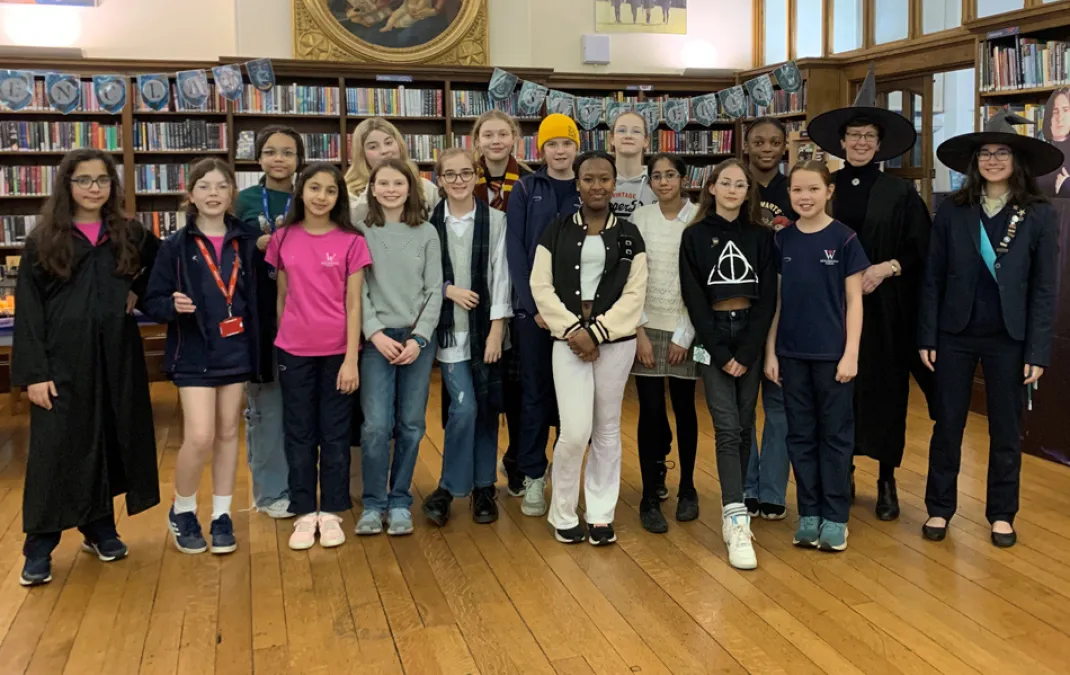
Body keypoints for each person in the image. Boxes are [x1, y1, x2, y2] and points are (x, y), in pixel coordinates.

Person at [14, 149, 160, 587]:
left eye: (102, 180)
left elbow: (163, 264)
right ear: (67, 185)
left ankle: (99, 527)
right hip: (61, 360)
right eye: (83, 180)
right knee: (56, 448)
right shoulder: (44, 240)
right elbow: (29, 311)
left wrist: (138, 291)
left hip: (116, 354)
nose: (94, 188)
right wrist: (35, 373)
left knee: (108, 437)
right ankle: (40, 543)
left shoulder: (129, 233)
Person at [919, 111, 1062, 548]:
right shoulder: (953, 209)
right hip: (954, 334)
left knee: (1005, 429)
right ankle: (939, 507)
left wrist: (1038, 350)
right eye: (985, 153)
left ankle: (1002, 513)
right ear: (974, 161)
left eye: (1002, 152)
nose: (993, 160)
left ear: (1016, 160)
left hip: (1010, 338)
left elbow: (1044, 287)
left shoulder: (1039, 213)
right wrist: (927, 335)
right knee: (948, 424)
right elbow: (932, 277)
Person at [807, 63, 933, 521]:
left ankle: (885, 479)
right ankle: (842, 471)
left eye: (869, 137)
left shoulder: (900, 194)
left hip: (884, 312)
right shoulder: (825, 189)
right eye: (854, 135)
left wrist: (887, 267)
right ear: (841, 143)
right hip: (830, 309)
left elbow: (921, 248)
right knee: (836, 392)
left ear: (880, 145)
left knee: (884, 392)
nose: (861, 142)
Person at [144, 158, 265, 556]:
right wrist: (171, 304)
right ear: (191, 195)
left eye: (221, 186)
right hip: (194, 351)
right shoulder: (175, 246)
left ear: (232, 193)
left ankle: (222, 514)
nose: (213, 193)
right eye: (205, 186)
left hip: (236, 349)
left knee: (229, 432)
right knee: (200, 435)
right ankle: (182, 509)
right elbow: (153, 299)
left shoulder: (247, 239)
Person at [530, 150, 648, 546]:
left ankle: (600, 513)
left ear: (615, 184)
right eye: (588, 179)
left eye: (604, 179)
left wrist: (596, 332)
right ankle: (563, 511)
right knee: (575, 430)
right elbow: (540, 285)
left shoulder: (630, 234)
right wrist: (573, 331)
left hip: (615, 344)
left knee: (608, 429)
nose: (597, 186)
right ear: (577, 185)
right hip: (567, 342)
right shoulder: (556, 230)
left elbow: (635, 294)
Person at [766, 161, 869, 552]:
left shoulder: (845, 239)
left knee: (835, 437)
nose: (804, 197)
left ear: (829, 191)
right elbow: (777, 301)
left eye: (813, 189)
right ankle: (809, 513)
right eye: (797, 190)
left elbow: (855, 301)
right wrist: (771, 351)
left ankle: (836, 516)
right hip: (792, 354)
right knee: (800, 435)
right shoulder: (783, 241)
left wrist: (851, 353)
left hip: (832, 357)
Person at [267, 162, 370, 550]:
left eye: (330, 190)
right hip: (293, 351)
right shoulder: (282, 238)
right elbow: (282, 296)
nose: (321, 197)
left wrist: (351, 359)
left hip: (338, 353)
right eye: (314, 188)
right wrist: (283, 337)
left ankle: (331, 510)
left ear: (339, 196)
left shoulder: (352, 241)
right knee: (298, 431)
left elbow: (354, 303)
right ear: (301, 192)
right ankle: (304, 509)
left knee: (335, 431)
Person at [680, 159, 776, 569]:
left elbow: (768, 297)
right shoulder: (694, 236)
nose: (733, 189)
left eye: (741, 184)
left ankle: (735, 502)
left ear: (748, 192)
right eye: (726, 183)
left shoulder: (761, 236)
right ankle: (735, 517)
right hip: (714, 337)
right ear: (712, 188)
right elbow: (694, 298)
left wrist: (748, 351)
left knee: (744, 423)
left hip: (750, 334)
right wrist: (721, 353)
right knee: (725, 426)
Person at [421, 149, 511, 527]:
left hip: (486, 332)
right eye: (450, 175)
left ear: (475, 176)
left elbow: (501, 277)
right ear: (439, 180)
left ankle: (484, 487)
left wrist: (496, 331)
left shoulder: (496, 220)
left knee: (486, 408)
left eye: (465, 173)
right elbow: (420, 276)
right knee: (464, 408)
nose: (458, 181)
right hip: (449, 333)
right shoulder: (428, 224)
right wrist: (447, 290)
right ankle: (449, 486)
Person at [356, 158, 442, 536]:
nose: (391, 190)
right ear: (372, 190)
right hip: (377, 339)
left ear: (410, 190)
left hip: (415, 341)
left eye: (398, 183)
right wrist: (374, 332)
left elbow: (434, 289)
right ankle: (373, 503)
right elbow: (356, 289)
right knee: (376, 425)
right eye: (383, 183)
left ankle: (400, 500)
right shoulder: (360, 232)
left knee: (411, 423)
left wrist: (419, 338)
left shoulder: (427, 233)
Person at [506, 113, 581, 517]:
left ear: (576, 147)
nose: (560, 151)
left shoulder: (587, 186)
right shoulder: (525, 188)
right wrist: (533, 306)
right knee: (534, 394)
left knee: (573, 399)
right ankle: (533, 475)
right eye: (552, 144)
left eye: (567, 143)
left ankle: (565, 476)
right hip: (532, 316)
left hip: (578, 316)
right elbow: (516, 251)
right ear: (541, 149)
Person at [235, 124, 305, 520]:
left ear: (299, 159)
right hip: (260, 313)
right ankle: (271, 491)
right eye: (271, 152)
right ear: (259, 158)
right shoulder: (241, 200)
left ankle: (304, 485)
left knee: (303, 405)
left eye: (288, 152)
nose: (279, 159)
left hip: (306, 309)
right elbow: (226, 249)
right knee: (267, 405)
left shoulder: (311, 195)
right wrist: (255, 245)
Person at [630, 153, 698, 533]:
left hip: (686, 329)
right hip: (647, 327)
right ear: (650, 182)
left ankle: (688, 488)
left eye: (671, 174)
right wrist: (639, 331)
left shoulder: (699, 217)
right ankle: (649, 495)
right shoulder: (640, 218)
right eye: (656, 176)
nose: (664, 182)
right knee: (651, 411)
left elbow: (701, 281)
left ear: (683, 179)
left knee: (686, 409)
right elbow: (631, 278)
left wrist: (685, 335)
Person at [470, 109, 532, 496]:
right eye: (488, 134)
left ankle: (517, 459)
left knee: (519, 387)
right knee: (484, 388)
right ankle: (480, 472)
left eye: (502, 134)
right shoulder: (463, 179)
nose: (495, 141)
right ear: (477, 140)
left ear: (514, 139)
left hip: (518, 292)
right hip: (476, 294)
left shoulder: (528, 181)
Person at [742, 116, 797, 521]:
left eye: (774, 142)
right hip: (742, 308)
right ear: (746, 146)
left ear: (784, 147)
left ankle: (773, 489)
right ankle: (747, 486)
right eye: (758, 141)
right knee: (743, 406)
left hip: (788, 308)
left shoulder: (793, 190)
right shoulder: (735, 186)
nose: (766, 148)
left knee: (779, 406)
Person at [346, 117, 439, 223]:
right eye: (373, 147)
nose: (384, 151)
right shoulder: (349, 192)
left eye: (388, 143)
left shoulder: (425, 187)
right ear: (362, 155)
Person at [609, 110, 657, 220]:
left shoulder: (656, 182)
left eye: (636, 131)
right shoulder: (601, 181)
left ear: (646, 141)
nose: (628, 136)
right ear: (611, 139)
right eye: (622, 130)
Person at [1038, 87, 1070, 198]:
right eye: (1055, 111)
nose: (1059, 117)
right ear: (1048, 117)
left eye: (1065, 110)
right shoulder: (1038, 154)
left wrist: (1067, 185)